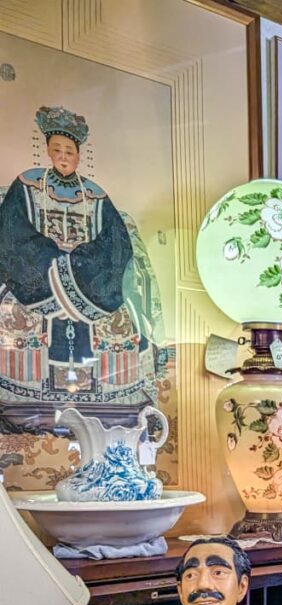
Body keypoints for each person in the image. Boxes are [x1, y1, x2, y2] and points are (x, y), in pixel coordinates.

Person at [0, 105, 156, 396]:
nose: (62, 156)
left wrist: (81, 265)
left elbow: (116, 242)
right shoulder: (27, 184)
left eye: (69, 151)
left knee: (123, 316)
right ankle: (25, 392)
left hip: (89, 276)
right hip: (37, 271)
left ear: (79, 155)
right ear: (47, 150)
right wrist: (53, 262)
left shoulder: (95, 194)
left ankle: (111, 392)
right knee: (12, 311)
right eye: (57, 149)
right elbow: (12, 233)